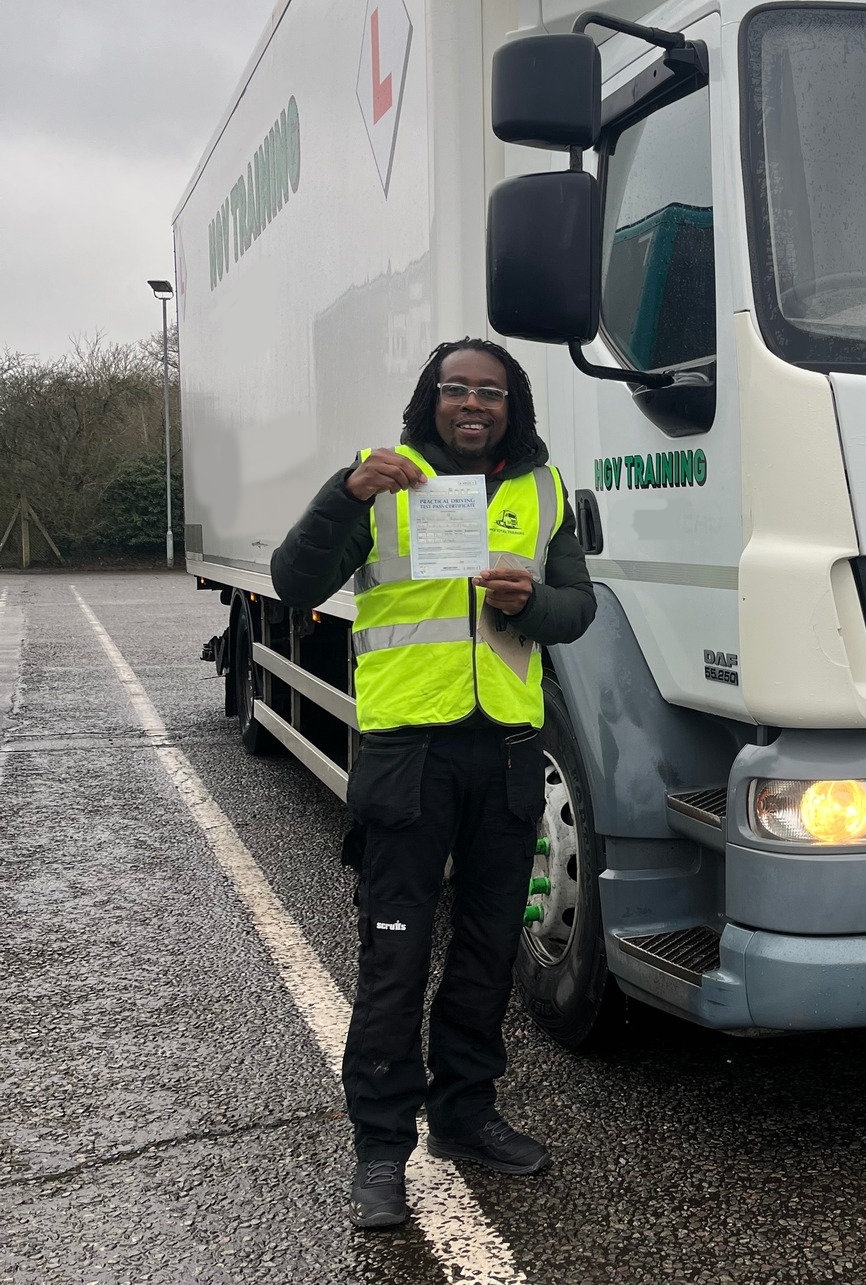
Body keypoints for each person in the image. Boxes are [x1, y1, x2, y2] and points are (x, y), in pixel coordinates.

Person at [271, 338, 596, 1230]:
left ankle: (464, 1116)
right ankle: (380, 1150)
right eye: (456, 388)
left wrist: (531, 603)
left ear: (511, 404)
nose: (472, 403)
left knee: (490, 951)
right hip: (408, 754)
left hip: (506, 755)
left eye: (490, 391)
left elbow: (580, 605)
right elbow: (294, 578)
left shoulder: (543, 491)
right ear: (431, 397)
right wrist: (345, 496)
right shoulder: (382, 479)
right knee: (395, 960)